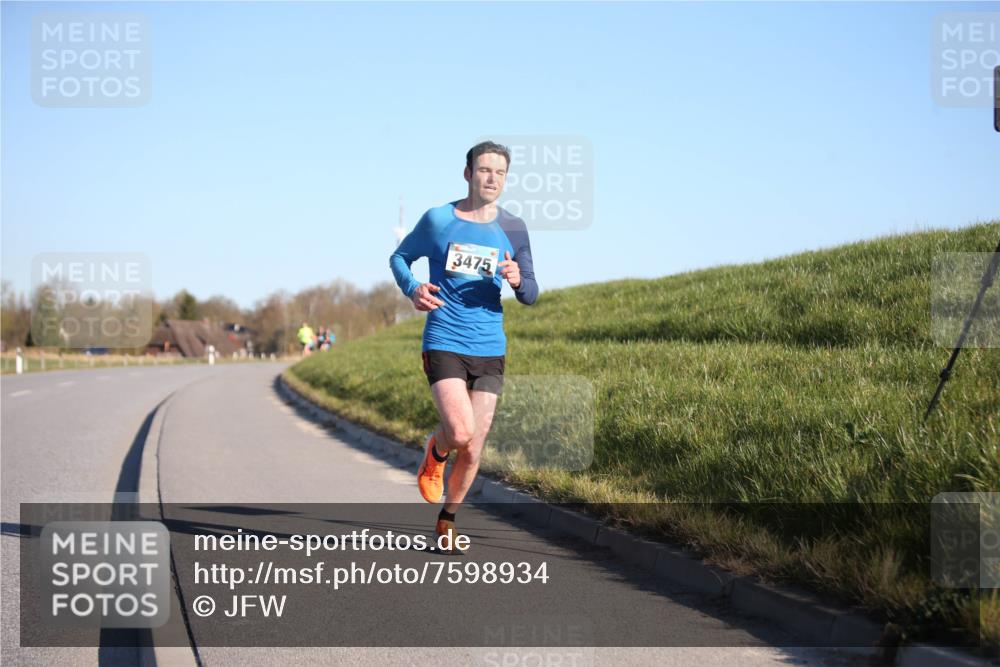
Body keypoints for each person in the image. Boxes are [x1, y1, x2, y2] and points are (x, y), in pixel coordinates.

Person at [389, 140, 539, 550]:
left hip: (490, 347)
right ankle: (435, 451)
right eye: (485, 170)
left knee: (473, 447)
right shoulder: (438, 220)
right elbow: (400, 257)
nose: (492, 179)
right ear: (468, 173)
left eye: (500, 173)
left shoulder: (513, 228)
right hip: (445, 338)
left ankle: (447, 520)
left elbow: (531, 293)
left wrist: (516, 280)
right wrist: (413, 288)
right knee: (459, 430)